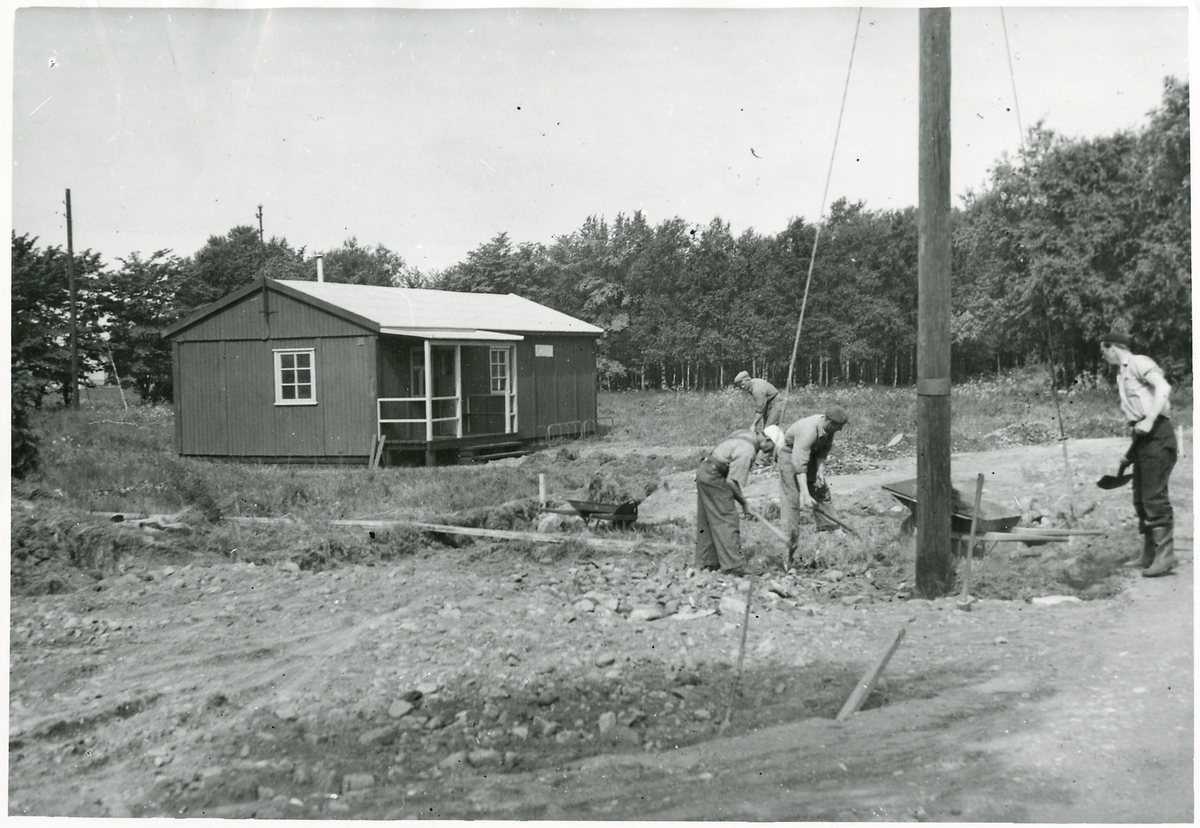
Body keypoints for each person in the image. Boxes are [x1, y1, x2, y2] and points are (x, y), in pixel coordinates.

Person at [1100, 331, 1177, 577]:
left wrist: (1152, 417)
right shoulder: (1122, 373)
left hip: (1158, 434)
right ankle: (1149, 553)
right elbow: (1137, 419)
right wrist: (1130, 453)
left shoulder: (1138, 362)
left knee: (1154, 497)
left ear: (1114, 347)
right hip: (1143, 438)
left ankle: (1166, 555)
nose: (1102, 354)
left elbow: (1164, 387)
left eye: (1104, 349)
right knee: (1141, 499)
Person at [695, 428, 777, 576]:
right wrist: (744, 503)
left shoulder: (744, 434)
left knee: (707, 519)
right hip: (714, 476)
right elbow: (732, 482)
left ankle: (707, 562)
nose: (771, 453)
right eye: (773, 448)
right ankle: (733, 565)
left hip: (704, 471)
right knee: (727, 518)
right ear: (767, 441)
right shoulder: (748, 451)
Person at [777, 406, 849, 568]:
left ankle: (829, 527)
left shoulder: (829, 430)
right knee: (792, 499)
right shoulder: (807, 432)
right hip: (790, 456)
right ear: (828, 421)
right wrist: (805, 494)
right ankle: (790, 538)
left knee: (821, 488)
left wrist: (820, 472)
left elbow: (823, 451)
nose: (841, 430)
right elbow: (799, 465)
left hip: (811, 455)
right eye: (838, 427)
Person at [733, 371, 782, 436]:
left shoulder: (757, 390)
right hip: (769, 402)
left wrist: (754, 425)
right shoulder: (752, 384)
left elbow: (760, 410)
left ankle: (778, 444)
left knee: (769, 429)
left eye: (743, 384)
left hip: (776, 402)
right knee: (767, 429)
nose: (742, 387)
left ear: (748, 380)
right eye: (740, 386)